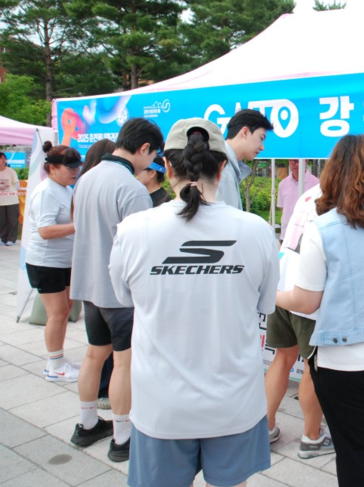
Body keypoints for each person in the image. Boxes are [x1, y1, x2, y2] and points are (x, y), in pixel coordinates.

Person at [109, 118, 279, 487]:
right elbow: (265, 305)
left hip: (161, 405)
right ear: (222, 166)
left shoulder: (132, 231)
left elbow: (124, 298)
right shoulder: (258, 232)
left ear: (166, 166)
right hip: (235, 402)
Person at [277, 134, 364, 487]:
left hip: (344, 361)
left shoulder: (322, 228)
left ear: (334, 172)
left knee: (353, 450)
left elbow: (306, 301)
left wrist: (272, 295)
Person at [70, 118, 163, 463]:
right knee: (123, 362)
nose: (151, 163)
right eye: (152, 156)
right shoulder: (132, 189)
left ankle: (86, 423)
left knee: (94, 354)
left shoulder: (87, 177)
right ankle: (123, 437)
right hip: (121, 293)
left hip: (89, 285)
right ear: (143, 148)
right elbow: (142, 251)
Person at [266, 182, 335, 459]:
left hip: (282, 282)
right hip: (307, 291)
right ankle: (312, 437)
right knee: (312, 367)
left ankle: (265, 429)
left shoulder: (310, 192)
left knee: (282, 358)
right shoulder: (343, 196)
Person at [25, 142, 82, 383]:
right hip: (46, 262)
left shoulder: (65, 189)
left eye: (76, 166)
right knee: (57, 313)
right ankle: (55, 366)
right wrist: (79, 226)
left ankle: (58, 359)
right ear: (52, 168)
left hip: (63, 261)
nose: (75, 171)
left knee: (65, 310)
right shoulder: (46, 192)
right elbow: (45, 230)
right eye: (69, 167)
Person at [75, 139, 117, 410]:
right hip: (109, 281)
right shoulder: (116, 186)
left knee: (96, 350)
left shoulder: (83, 184)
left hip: (88, 278)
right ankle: (110, 401)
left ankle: (88, 416)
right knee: (117, 354)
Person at [216, 109, 273, 210]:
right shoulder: (224, 170)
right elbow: (226, 218)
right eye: (261, 138)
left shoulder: (224, 164)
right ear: (245, 132)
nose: (262, 147)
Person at [277, 159, 318, 240]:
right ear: (289, 161)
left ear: (306, 161)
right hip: (287, 234)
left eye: (300, 161)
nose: (297, 164)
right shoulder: (283, 184)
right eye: (294, 161)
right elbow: (282, 207)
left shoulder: (316, 183)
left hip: (308, 236)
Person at [0, 152, 20, 246]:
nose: (3, 160)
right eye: (1, 158)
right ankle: (3, 238)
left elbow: (17, 185)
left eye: (4, 158)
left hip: (12, 201)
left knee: (12, 220)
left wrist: (9, 193)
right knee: (2, 221)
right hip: (1, 201)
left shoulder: (11, 171)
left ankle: (11, 239)